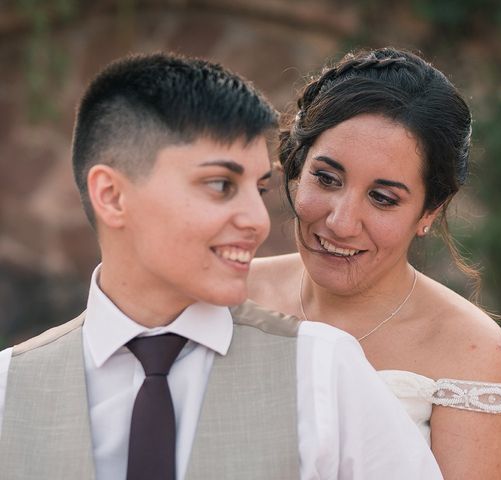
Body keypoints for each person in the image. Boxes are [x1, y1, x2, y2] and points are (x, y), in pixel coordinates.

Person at [0, 53, 443, 479]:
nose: (256, 221)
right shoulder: (8, 389)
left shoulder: (322, 370)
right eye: (220, 185)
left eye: (260, 188)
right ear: (112, 196)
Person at [248, 47, 501, 479]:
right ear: (298, 167)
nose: (340, 222)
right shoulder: (231, 297)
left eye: (383, 198)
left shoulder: (469, 349)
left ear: (430, 210)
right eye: (327, 178)